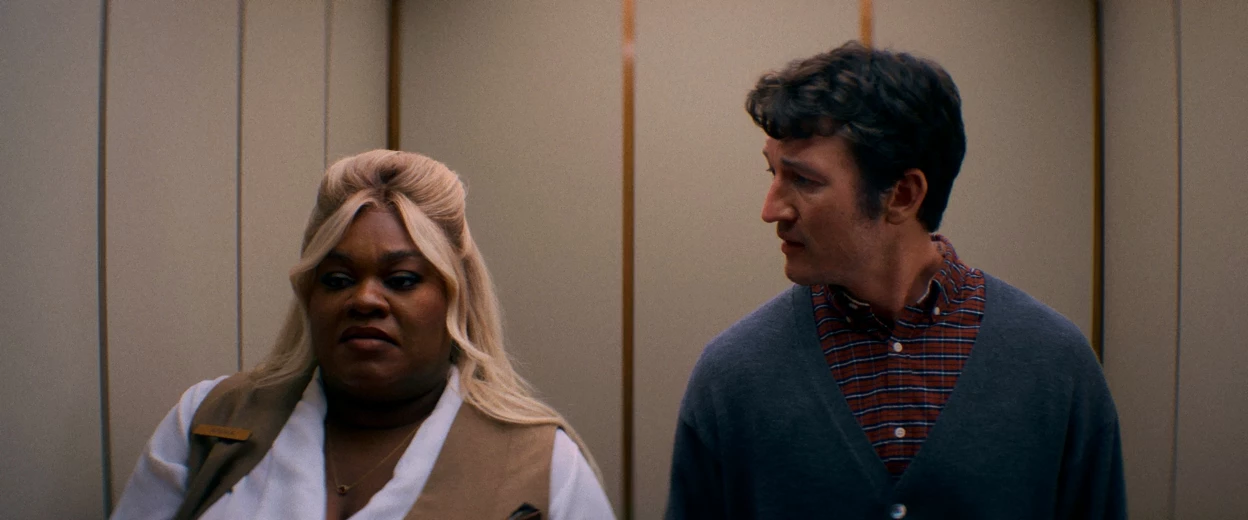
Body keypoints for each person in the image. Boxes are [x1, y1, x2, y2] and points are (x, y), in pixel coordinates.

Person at [665, 42, 1126, 519]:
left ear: (903, 195)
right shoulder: (732, 378)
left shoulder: (1055, 367)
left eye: (803, 180)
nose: (770, 209)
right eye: (773, 172)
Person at [112, 150, 615, 520]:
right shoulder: (208, 422)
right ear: (309, 296)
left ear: (455, 297)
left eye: (402, 280)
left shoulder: (542, 466)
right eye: (337, 279)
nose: (365, 300)